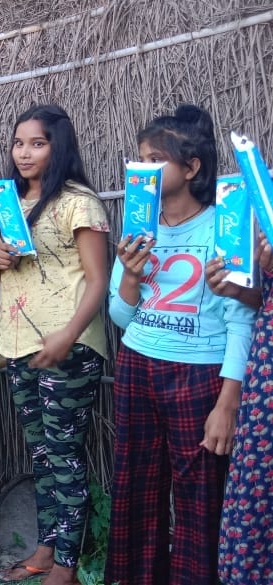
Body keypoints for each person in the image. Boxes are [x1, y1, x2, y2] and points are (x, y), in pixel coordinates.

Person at [106, 104, 254, 585]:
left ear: (191, 169)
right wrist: (129, 275)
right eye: (139, 159)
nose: (141, 169)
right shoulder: (138, 229)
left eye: (155, 159)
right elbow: (120, 315)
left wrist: (227, 403)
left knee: (200, 499)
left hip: (199, 375)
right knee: (135, 490)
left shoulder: (224, 229)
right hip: (138, 364)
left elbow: (242, 319)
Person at [0, 105, 109, 585]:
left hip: (68, 345)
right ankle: (45, 548)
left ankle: (67, 569)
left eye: (38, 142)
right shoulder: (9, 202)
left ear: (59, 147)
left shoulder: (80, 201)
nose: (25, 152)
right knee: (41, 455)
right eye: (18, 142)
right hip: (19, 345)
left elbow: (99, 280)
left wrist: (68, 335)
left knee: (64, 453)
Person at [215, 233, 273, 584]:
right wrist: (236, 289)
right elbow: (265, 298)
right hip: (267, 371)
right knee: (259, 490)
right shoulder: (265, 195)